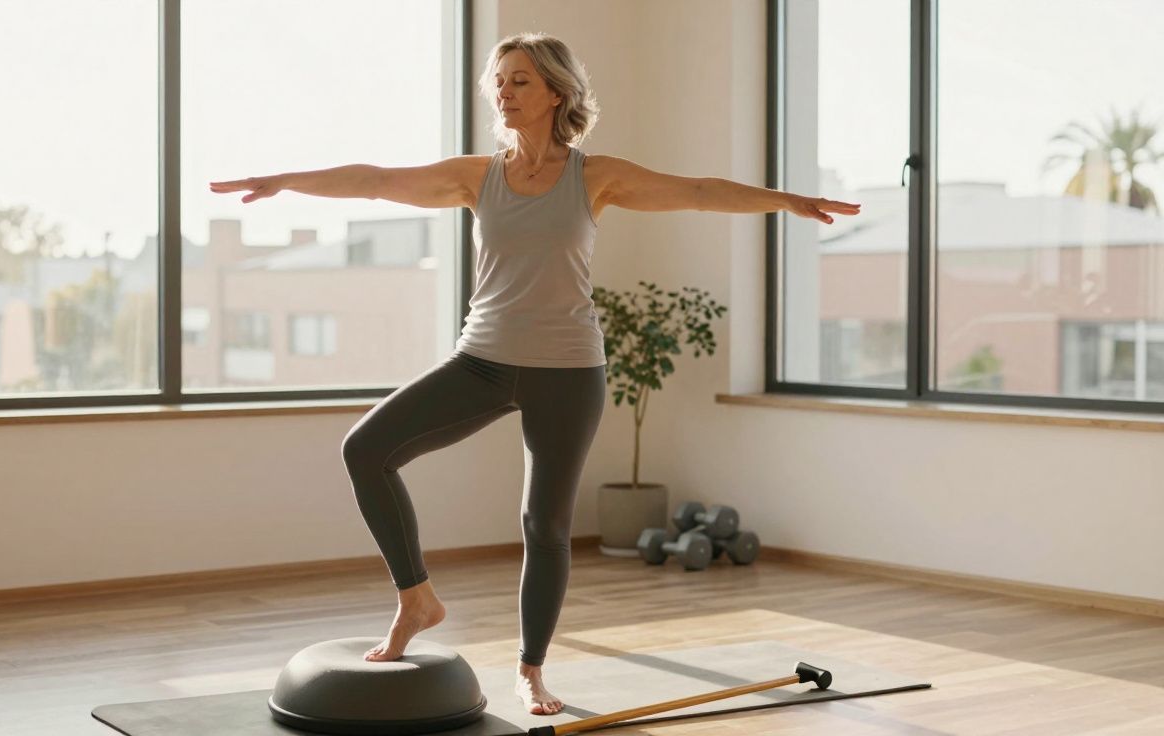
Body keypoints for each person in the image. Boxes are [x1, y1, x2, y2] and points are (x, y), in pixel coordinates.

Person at [210, 31, 859, 717]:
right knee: (365, 449)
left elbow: (694, 191)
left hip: (569, 371)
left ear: (556, 91)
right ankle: (416, 599)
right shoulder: (476, 175)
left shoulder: (593, 176)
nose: (504, 91)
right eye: (499, 79)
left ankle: (532, 669)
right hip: (482, 361)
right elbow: (375, 180)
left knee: (543, 524)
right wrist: (283, 182)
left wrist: (784, 201)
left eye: (520, 80)